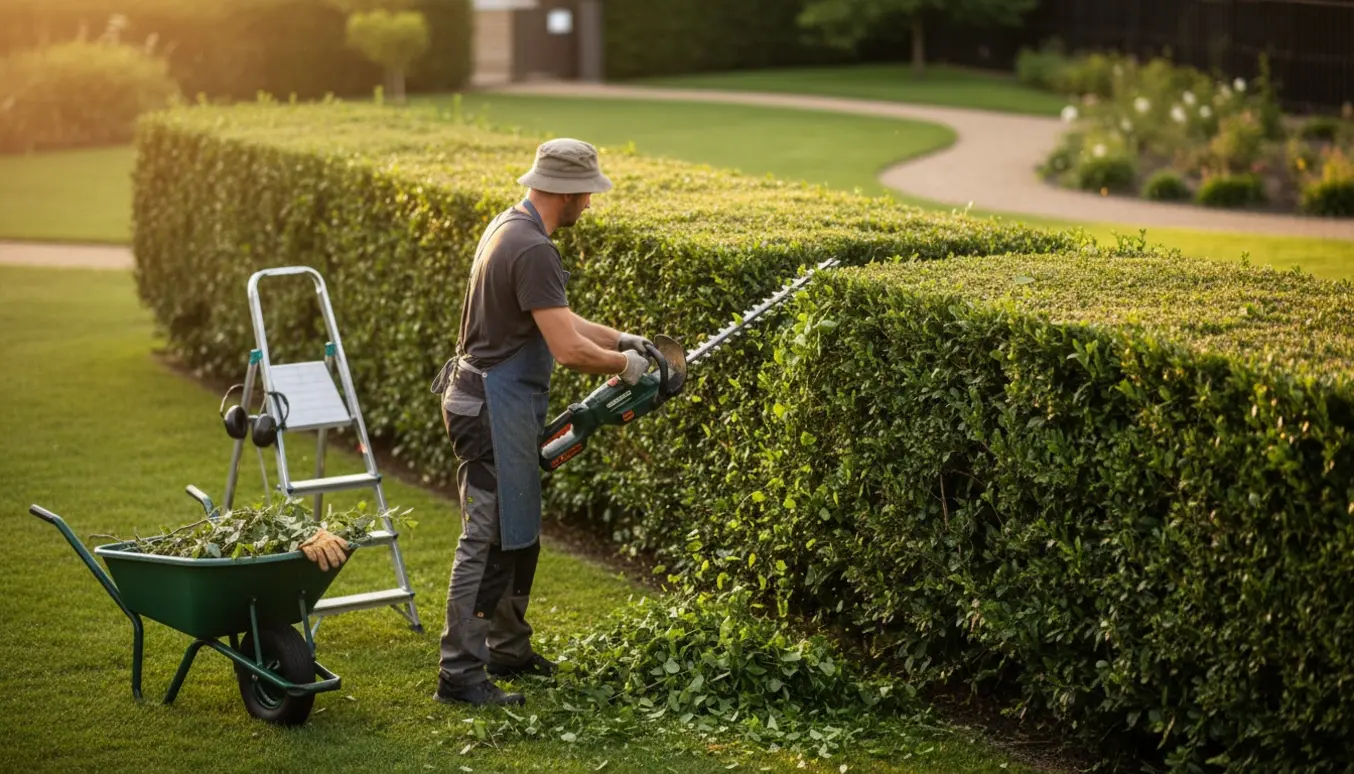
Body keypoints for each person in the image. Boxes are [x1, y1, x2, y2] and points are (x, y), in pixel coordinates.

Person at [427, 138, 652, 707]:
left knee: (516, 529)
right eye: (589, 194)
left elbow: (558, 315)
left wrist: (621, 338)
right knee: (488, 539)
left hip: (491, 399)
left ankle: (507, 647)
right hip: (490, 406)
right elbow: (567, 349)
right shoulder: (532, 247)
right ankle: (459, 674)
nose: (591, 205)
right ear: (570, 192)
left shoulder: (511, 226)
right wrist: (626, 367)